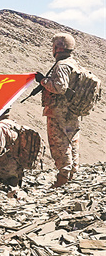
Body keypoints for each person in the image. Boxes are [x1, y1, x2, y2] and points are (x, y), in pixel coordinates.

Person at [38, 33, 84, 187]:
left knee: (59, 145)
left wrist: (43, 81)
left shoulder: (62, 65)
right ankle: (72, 174)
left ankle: (63, 177)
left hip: (59, 112)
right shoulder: (74, 64)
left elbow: (59, 87)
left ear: (58, 48)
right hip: (72, 111)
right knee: (72, 142)